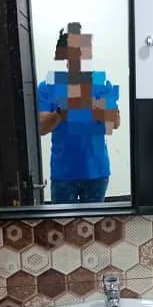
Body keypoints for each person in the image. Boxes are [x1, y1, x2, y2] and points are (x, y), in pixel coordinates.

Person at [37, 24, 120, 204]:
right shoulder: (47, 86)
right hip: (63, 174)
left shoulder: (101, 83)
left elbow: (115, 123)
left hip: (97, 173)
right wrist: (62, 110)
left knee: (94, 222)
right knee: (62, 222)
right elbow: (41, 128)